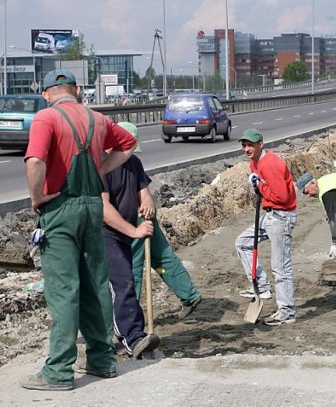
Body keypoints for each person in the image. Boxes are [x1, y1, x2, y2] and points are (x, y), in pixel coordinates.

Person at [22, 69, 138, 391]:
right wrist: (101, 169)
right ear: (76, 90)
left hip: (60, 208)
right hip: (92, 208)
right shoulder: (98, 119)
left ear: (47, 93)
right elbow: (129, 143)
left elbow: (34, 161)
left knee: (63, 289)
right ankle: (103, 361)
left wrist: (37, 197)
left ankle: (58, 371)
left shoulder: (46, 118)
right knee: (96, 284)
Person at [123, 123, 202, 319]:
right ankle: (189, 295)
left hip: (135, 220)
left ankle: (128, 315)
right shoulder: (122, 162)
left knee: (130, 265)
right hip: (141, 217)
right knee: (161, 256)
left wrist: (148, 205)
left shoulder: (126, 163)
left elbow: (144, 193)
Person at [101, 122, 163, 360]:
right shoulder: (102, 166)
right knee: (123, 283)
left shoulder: (134, 164)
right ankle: (133, 337)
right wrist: (134, 231)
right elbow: (103, 208)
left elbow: (143, 192)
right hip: (104, 234)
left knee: (121, 283)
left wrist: (148, 203)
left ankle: (116, 335)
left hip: (123, 236)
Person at [234, 128, 298, 326]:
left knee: (280, 266)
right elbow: (266, 190)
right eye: (244, 145)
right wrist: (258, 186)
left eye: (250, 145)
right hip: (270, 214)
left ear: (261, 144)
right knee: (242, 243)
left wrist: (259, 186)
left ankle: (286, 311)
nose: (246, 149)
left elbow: (282, 197)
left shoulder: (270, 163)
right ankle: (261, 286)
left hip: (281, 215)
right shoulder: (256, 162)